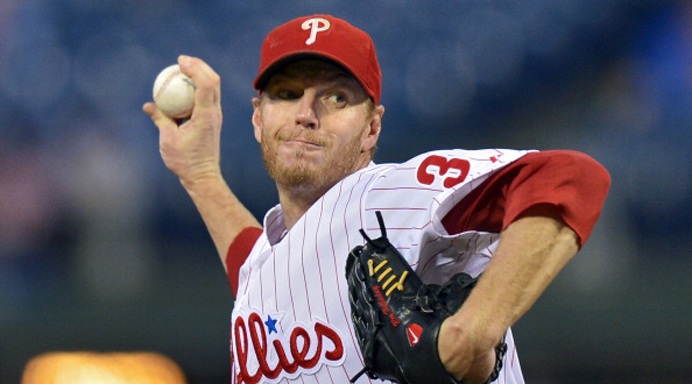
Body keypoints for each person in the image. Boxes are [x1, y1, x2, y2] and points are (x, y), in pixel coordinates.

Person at [143, 14, 610, 384]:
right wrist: (200, 174)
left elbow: (570, 176)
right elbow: (260, 268)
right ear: (258, 119)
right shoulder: (270, 255)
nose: (306, 114)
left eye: (336, 98)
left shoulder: (384, 195)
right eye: (287, 94)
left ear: (372, 129)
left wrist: (470, 334)